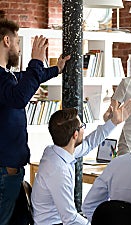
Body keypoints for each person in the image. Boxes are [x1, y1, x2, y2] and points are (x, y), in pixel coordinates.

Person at [0, 19, 70, 224]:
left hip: (10, 172)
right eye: (17, 44)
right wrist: (36, 60)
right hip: (4, 172)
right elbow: (20, 97)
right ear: (6, 41)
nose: (19, 50)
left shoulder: (6, 76)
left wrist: (56, 69)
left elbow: (25, 80)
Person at [31, 100, 131, 225]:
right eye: (82, 127)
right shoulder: (58, 171)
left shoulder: (54, 151)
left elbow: (89, 143)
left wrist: (113, 122)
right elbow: (70, 219)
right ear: (75, 135)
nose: (83, 129)